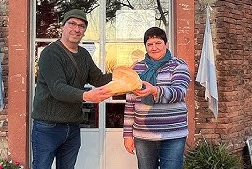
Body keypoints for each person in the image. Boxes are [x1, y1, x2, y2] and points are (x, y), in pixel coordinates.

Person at [31, 9, 113, 169]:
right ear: (62, 26)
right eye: (72, 24)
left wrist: (123, 75)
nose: (77, 29)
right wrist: (87, 96)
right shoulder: (50, 53)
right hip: (48, 127)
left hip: (72, 125)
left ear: (84, 31)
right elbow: (58, 88)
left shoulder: (83, 55)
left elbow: (99, 79)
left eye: (81, 26)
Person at [123, 27, 191, 169]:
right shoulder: (137, 69)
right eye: (150, 44)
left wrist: (155, 90)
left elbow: (179, 92)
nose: (154, 47)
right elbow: (130, 103)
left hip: (173, 133)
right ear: (145, 47)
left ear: (166, 44)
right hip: (143, 135)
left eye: (158, 43)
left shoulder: (178, 65)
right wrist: (127, 134)